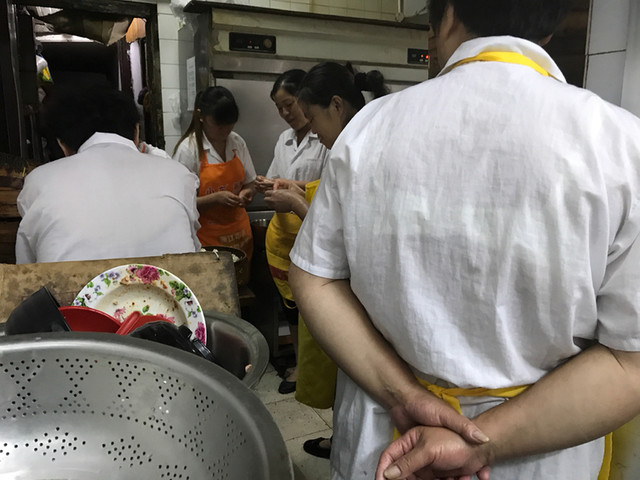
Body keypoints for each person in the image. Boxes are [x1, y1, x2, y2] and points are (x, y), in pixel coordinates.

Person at [288, 0, 640, 479]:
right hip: (535, 460)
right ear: (550, 28)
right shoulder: (620, 144)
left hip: (387, 445)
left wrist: (406, 397)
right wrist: (481, 443)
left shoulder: (368, 129)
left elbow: (314, 277)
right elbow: (629, 359)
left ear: (447, 15)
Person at [265, 61, 391, 458]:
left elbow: (342, 232)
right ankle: (345, 443)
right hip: (356, 287)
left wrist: (296, 203)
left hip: (355, 288)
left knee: (356, 384)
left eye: (312, 116)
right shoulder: (359, 140)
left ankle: (347, 447)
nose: (313, 129)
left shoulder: (353, 151)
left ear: (336, 105)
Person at [16, 84, 201, 264]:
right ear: (137, 131)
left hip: (66, 285)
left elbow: (27, 269)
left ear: (62, 144)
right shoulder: (178, 174)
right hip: (173, 284)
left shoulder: (39, 181)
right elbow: (193, 249)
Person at [255, 69, 331, 395]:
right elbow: (278, 177)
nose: (286, 113)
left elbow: (327, 188)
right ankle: (301, 364)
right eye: (279, 108)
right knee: (291, 308)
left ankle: (317, 371)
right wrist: (267, 184)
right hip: (284, 239)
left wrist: (290, 188)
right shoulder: (284, 140)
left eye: (290, 105)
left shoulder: (325, 139)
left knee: (313, 309)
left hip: (312, 233)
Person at [173, 86, 256, 258]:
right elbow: (179, 203)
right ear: (201, 116)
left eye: (230, 124)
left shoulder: (237, 142)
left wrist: (247, 193)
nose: (226, 130)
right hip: (206, 241)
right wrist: (215, 199)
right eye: (219, 125)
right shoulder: (188, 150)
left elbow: (251, 182)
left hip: (240, 235)